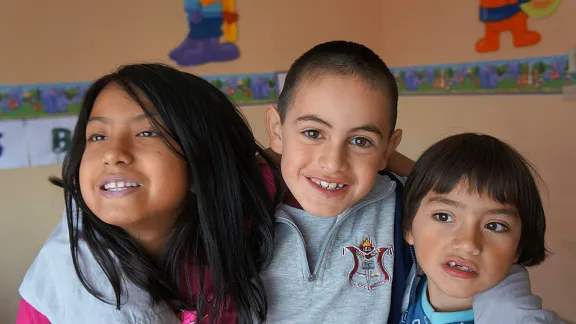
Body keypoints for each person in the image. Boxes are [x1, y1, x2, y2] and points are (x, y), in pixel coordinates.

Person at [262, 40, 559, 324]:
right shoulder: (242, 203)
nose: (332, 162)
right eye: (313, 133)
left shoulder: (404, 204)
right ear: (277, 129)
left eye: (361, 140)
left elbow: (478, 224)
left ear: (389, 149)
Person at [17, 63, 282, 324]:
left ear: (202, 160)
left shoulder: (246, 209)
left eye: (146, 132)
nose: (112, 153)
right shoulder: (57, 296)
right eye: (97, 136)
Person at [400, 133, 565, 324]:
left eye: (494, 226)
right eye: (444, 217)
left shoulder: (516, 317)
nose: (468, 243)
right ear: (409, 226)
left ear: (518, 247)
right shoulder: (396, 283)